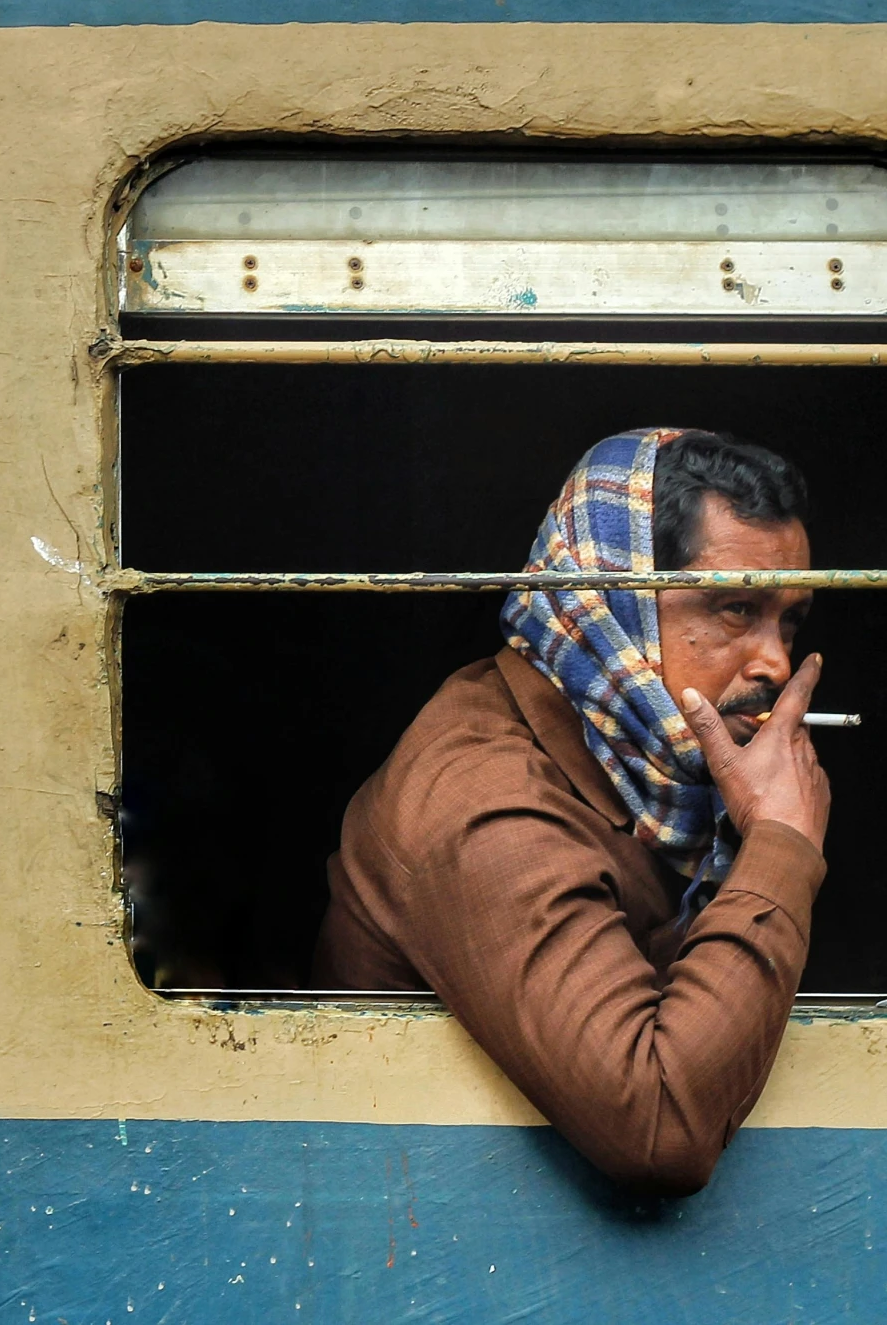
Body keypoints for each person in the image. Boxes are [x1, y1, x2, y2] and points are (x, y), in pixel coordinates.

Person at [312, 430, 830, 1195]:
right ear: (612, 598)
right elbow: (657, 1127)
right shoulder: (488, 803)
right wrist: (781, 844)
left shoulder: (641, 775)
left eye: (788, 621)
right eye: (734, 608)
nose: (776, 664)